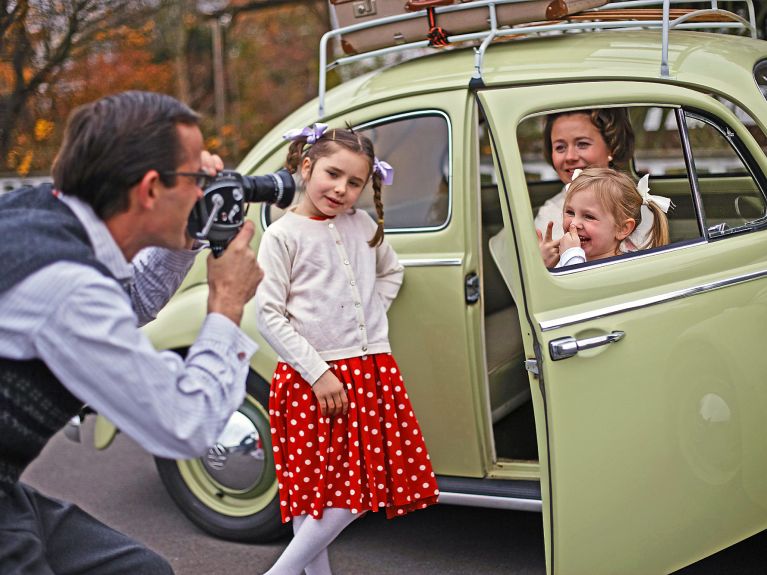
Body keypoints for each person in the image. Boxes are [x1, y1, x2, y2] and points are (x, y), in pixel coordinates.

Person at [0, 91, 263, 574]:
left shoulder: (47, 214)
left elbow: (129, 301)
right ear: (148, 189)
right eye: (196, 179)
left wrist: (186, 239)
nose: (206, 191)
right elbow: (186, 425)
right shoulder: (66, 286)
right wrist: (226, 305)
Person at [255, 124, 439, 575]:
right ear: (306, 166)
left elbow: (391, 272)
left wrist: (371, 315)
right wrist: (317, 372)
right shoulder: (283, 236)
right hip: (312, 380)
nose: (341, 189)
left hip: (369, 370)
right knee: (319, 494)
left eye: (354, 182)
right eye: (332, 174)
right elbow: (268, 315)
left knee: (359, 489)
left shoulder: (361, 226)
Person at [534, 108, 653, 267]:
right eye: (560, 147)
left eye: (582, 144)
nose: (570, 157)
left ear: (612, 146)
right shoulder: (547, 213)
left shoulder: (635, 209)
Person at [555, 167, 672, 268]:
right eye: (570, 212)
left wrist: (570, 256)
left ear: (622, 228)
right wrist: (546, 263)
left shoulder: (622, 268)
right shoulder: (567, 257)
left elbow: (577, 288)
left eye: (589, 216)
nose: (574, 223)